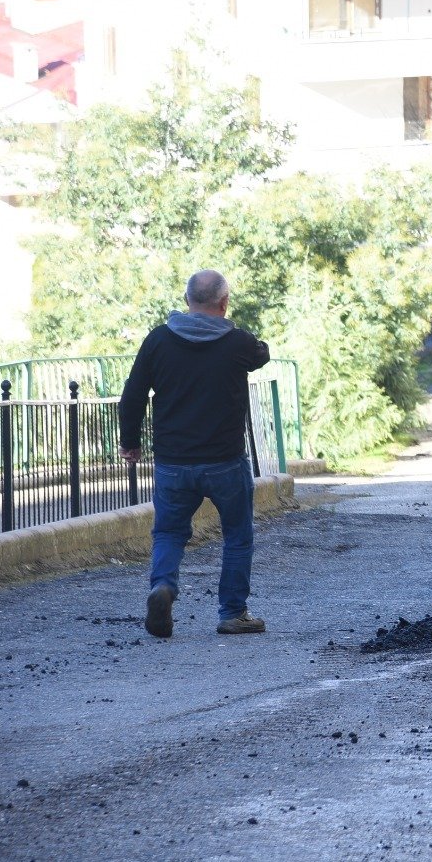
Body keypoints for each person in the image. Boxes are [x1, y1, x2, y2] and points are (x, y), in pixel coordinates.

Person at [119, 270, 271, 638]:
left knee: (169, 533)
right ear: (224, 302)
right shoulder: (237, 343)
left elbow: (133, 394)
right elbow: (262, 354)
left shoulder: (158, 340)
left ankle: (163, 586)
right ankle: (233, 613)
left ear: (187, 301)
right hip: (225, 462)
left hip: (173, 462)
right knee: (237, 535)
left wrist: (130, 442)